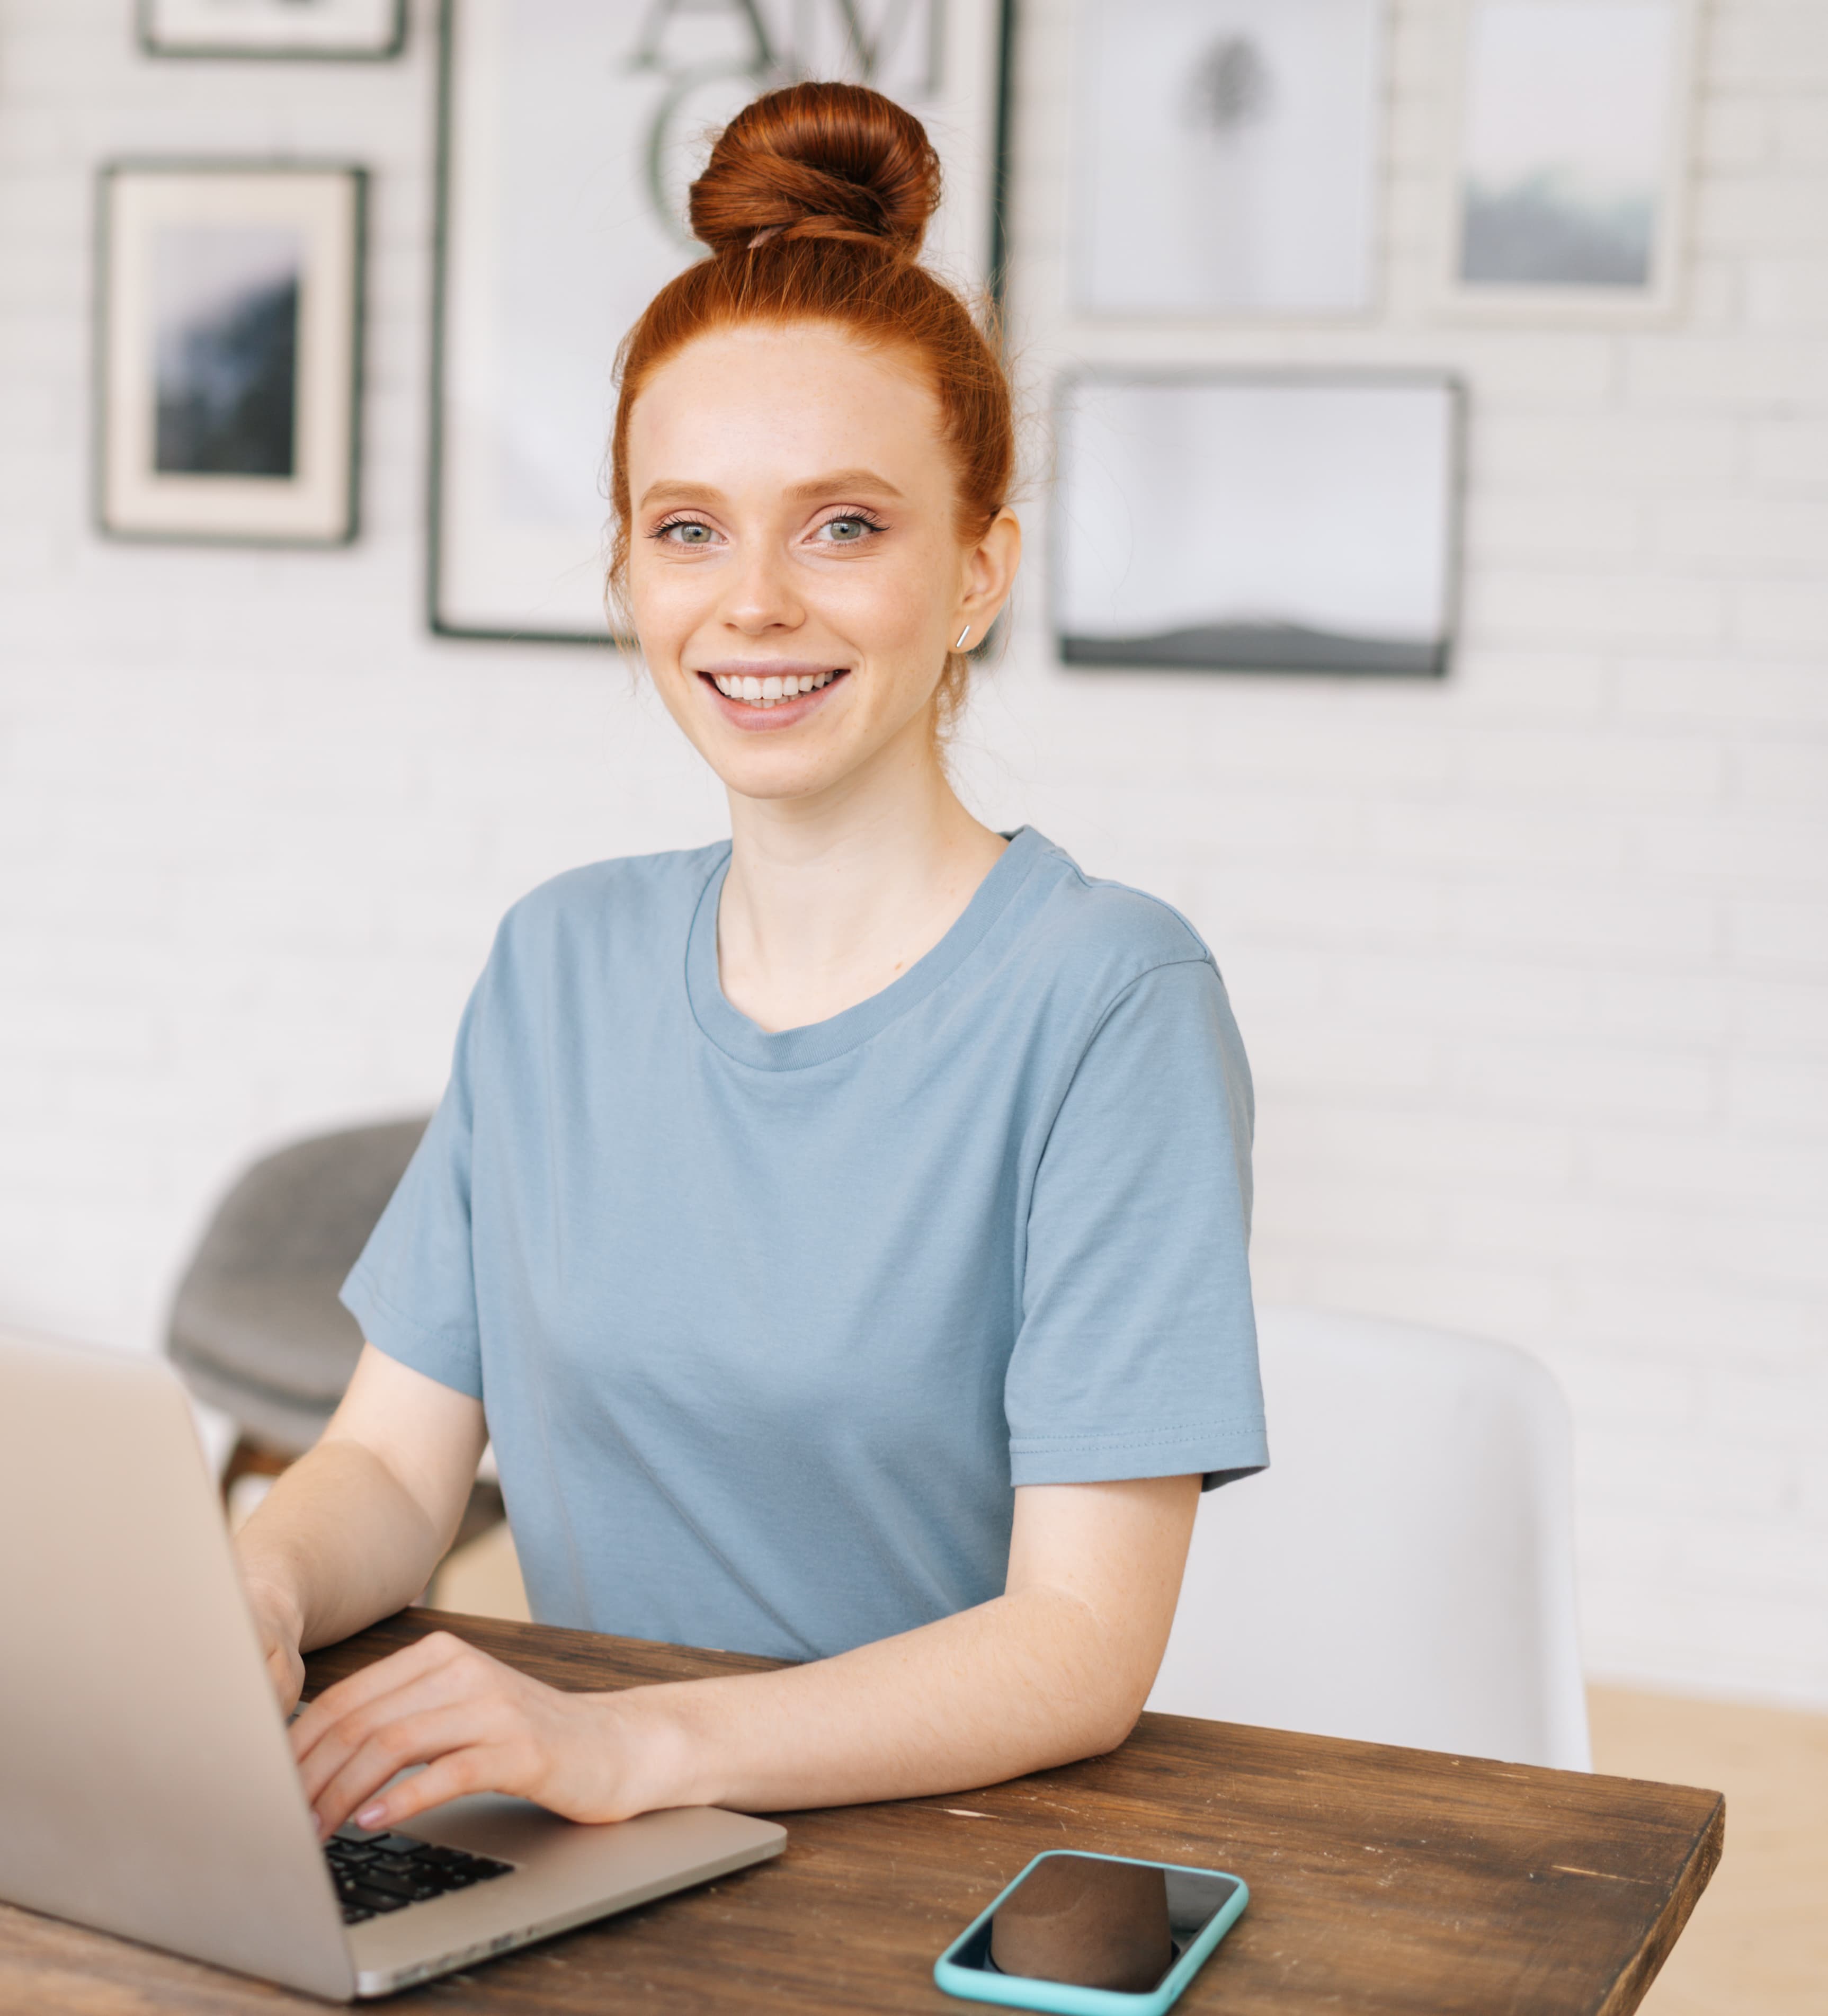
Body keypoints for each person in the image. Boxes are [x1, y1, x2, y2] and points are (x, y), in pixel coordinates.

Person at [234, 81, 1268, 1840]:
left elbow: (1079, 1642)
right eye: (688, 527)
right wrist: (250, 1590)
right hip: (577, 1847)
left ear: (975, 574)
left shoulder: (1108, 1002)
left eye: (844, 526)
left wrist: (638, 1749)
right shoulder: (556, 962)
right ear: (631, 567)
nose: (754, 602)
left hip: (903, 1861)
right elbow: (391, 1472)